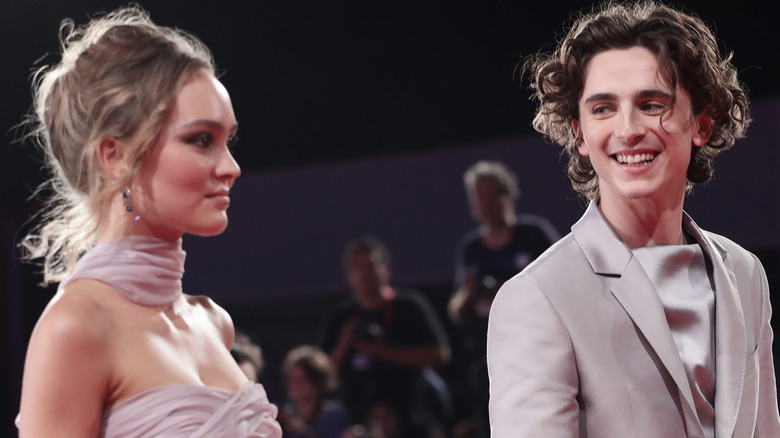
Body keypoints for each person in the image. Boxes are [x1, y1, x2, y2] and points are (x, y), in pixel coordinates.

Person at [487, 1, 780, 437]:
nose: (627, 129)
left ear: (702, 122)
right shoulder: (538, 298)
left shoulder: (745, 273)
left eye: (651, 103)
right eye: (603, 108)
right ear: (580, 133)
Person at [16, 6, 281, 437]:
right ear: (115, 156)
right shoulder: (77, 328)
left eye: (227, 141)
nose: (230, 166)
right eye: (201, 140)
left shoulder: (214, 323)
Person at [448, 160, 558, 438]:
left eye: (492, 194)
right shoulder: (471, 248)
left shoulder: (534, 235)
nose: (486, 203)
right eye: (479, 196)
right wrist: (469, 295)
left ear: (510, 196)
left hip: (539, 349)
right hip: (492, 356)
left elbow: (563, 284)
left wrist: (509, 290)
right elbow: (457, 310)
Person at [319, 236, 451, 438]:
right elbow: (322, 374)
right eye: (357, 267)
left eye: (371, 265)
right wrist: (345, 342)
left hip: (411, 416)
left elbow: (440, 354)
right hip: (359, 421)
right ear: (348, 274)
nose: (364, 273)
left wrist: (382, 350)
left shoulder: (409, 306)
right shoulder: (341, 316)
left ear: (386, 269)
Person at [278, 345, 351, 438]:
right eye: (291, 379)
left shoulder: (334, 415)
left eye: (301, 379)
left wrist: (304, 432)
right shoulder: (285, 414)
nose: (294, 385)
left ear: (318, 381)